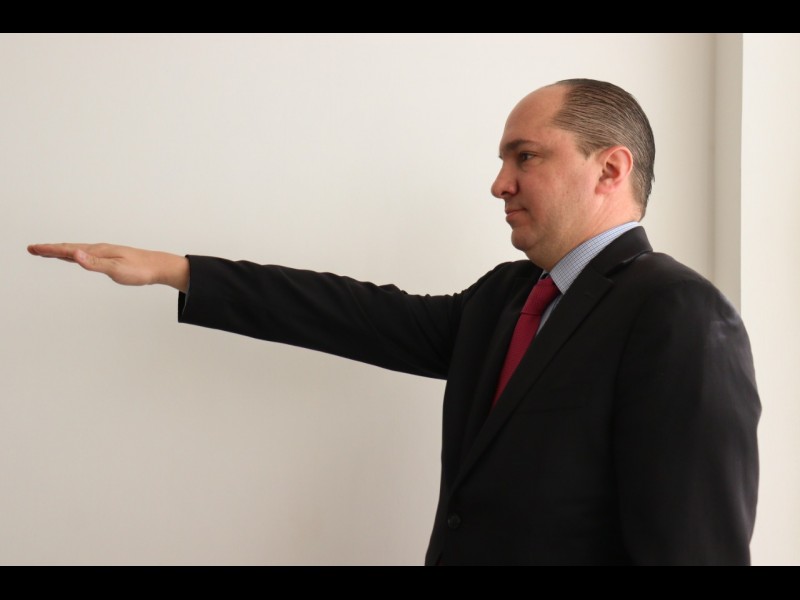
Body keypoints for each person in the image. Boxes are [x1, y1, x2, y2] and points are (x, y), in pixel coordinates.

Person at [28, 78, 761, 565]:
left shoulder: (676, 312)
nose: (499, 183)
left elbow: (694, 549)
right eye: (503, 159)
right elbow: (356, 315)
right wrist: (179, 270)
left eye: (526, 156)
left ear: (610, 169)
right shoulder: (507, 297)